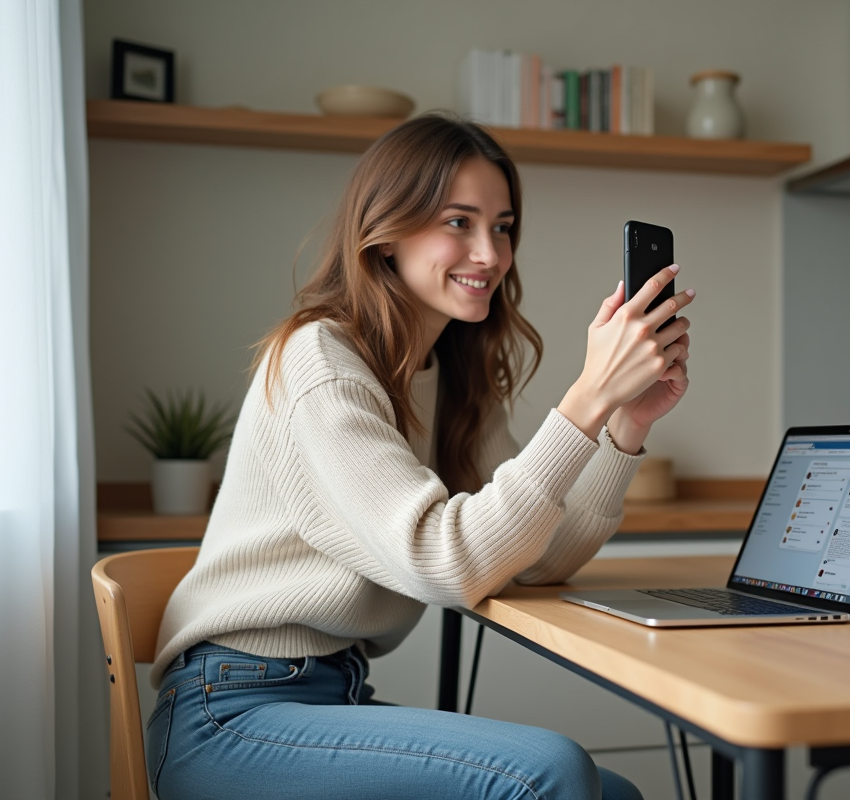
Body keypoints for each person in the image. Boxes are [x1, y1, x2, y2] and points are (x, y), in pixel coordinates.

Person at [144, 114, 693, 800]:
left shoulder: (450, 378)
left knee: (615, 795)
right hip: (227, 713)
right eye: (458, 222)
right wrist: (587, 397)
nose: (490, 254)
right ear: (386, 232)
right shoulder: (322, 363)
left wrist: (624, 426)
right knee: (551, 773)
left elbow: (536, 557)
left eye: (502, 227)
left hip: (332, 695)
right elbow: (449, 561)